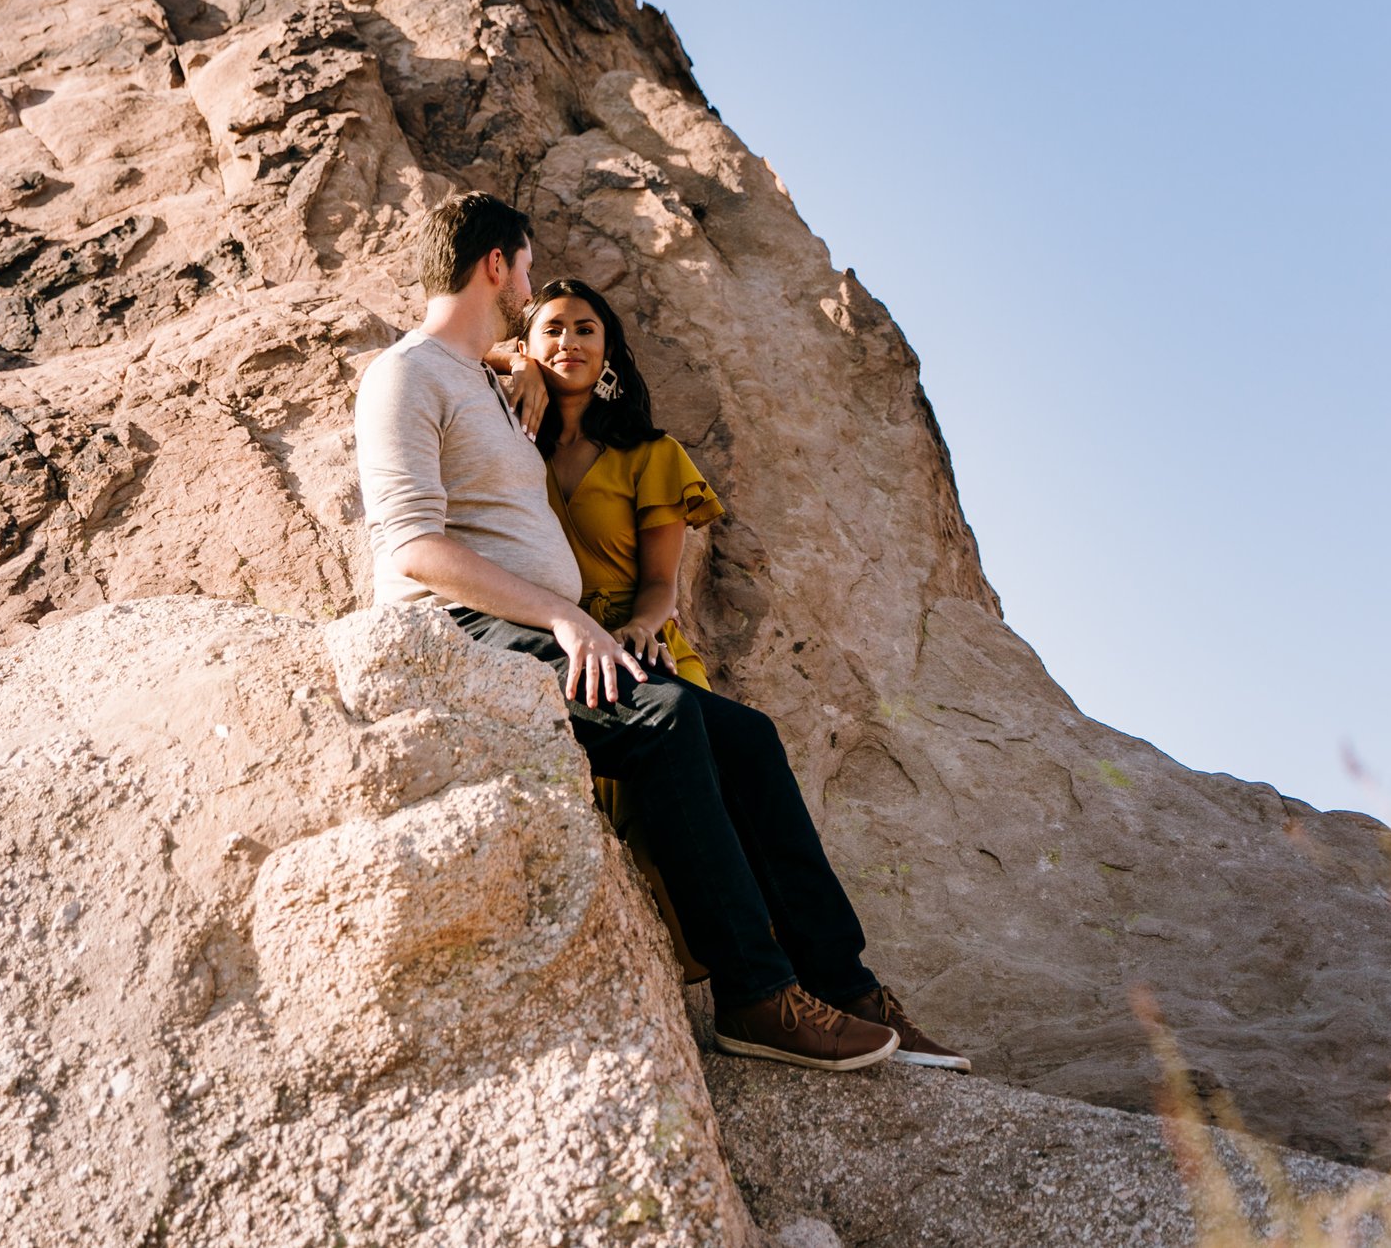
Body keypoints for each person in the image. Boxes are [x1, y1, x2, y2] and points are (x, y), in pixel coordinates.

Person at [353, 191, 969, 1072]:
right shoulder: (403, 374)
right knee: (666, 719)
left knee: (747, 737)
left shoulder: (482, 378)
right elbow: (411, 545)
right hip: (462, 636)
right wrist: (564, 615)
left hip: (523, 630)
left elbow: (496, 353)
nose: (530, 285)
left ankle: (842, 981)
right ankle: (754, 996)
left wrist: (510, 359)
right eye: (526, 267)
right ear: (498, 263)